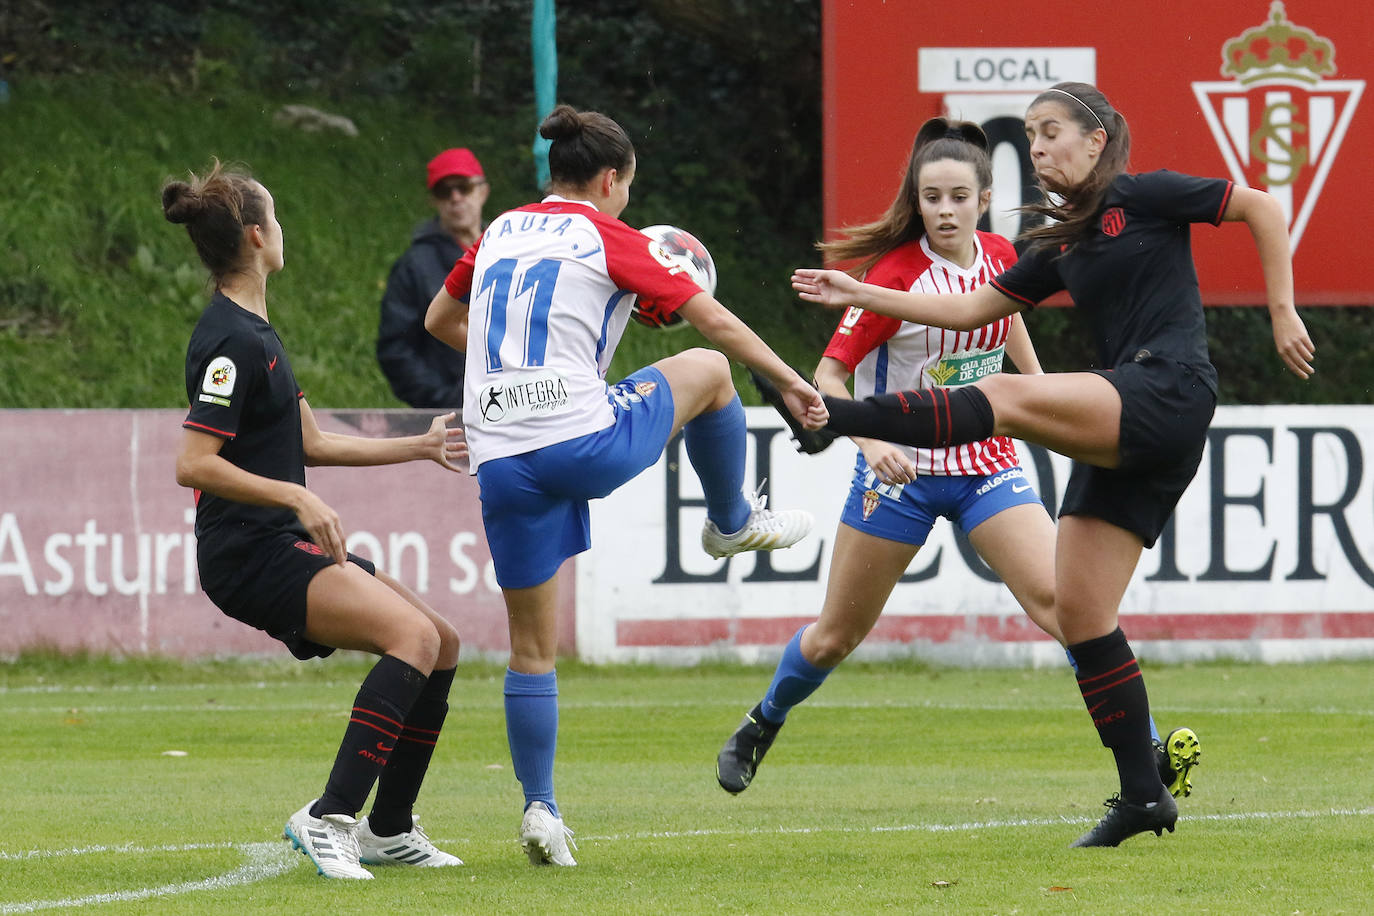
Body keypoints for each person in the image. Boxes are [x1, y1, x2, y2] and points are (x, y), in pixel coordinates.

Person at [788, 82, 1314, 848]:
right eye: (1029, 136)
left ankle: (834, 417)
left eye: (1051, 132)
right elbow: (970, 311)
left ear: (1097, 140)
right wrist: (860, 288)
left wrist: (1282, 309)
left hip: (1167, 388)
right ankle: (1143, 796)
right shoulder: (1059, 243)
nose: (1036, 148)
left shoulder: (1144, 194)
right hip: (1135, 425)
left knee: (999, 390)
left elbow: (1261, 206)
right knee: (1082, 615)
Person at [718, 117, 1197, 805]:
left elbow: (1013, 321)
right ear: (917, 202)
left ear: (983, 198)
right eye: (931, 197)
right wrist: (873, 446)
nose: (944, 210)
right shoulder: (894, 275)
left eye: (957, 197)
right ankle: (762, 723)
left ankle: (1147, 751)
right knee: (833, 637)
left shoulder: (1004, 255)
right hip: (901, 479)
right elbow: (828, 377)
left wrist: (1039, 397)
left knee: (1067, 607)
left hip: (987, 469)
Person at [425, 103, 828, 866]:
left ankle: (540, 808)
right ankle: (733, 521)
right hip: (580, 442)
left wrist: (523, 370)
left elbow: (440, 317)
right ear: (611, 180)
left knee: (531, 649)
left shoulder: (502, 229)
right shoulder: (609, 237)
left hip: (500, 457)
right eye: (627, 189)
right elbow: (718, 328)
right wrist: (790, 381)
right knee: (711, 374)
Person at [167, 159, 469, 879]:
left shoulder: (259, 330)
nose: (283, 230)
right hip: (247, 550)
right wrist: (297, 498)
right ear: (255, 235)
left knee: (444, 643)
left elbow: (310, 444)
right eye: (275, 218)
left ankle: (389, 829)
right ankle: (330, 814)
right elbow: (193, 462)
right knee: (412, 635)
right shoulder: (232, 339)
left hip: (275, 539)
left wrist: (420, 446)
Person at [377, 147, 490, 408]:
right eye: (444, 191)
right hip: (451, 414)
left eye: (464, 187)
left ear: (483, 191)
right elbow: (395, 349)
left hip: (513, 405)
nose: (455, 197)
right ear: (434, 201)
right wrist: (445, 399)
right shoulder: (414, 265)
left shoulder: (507, 250)